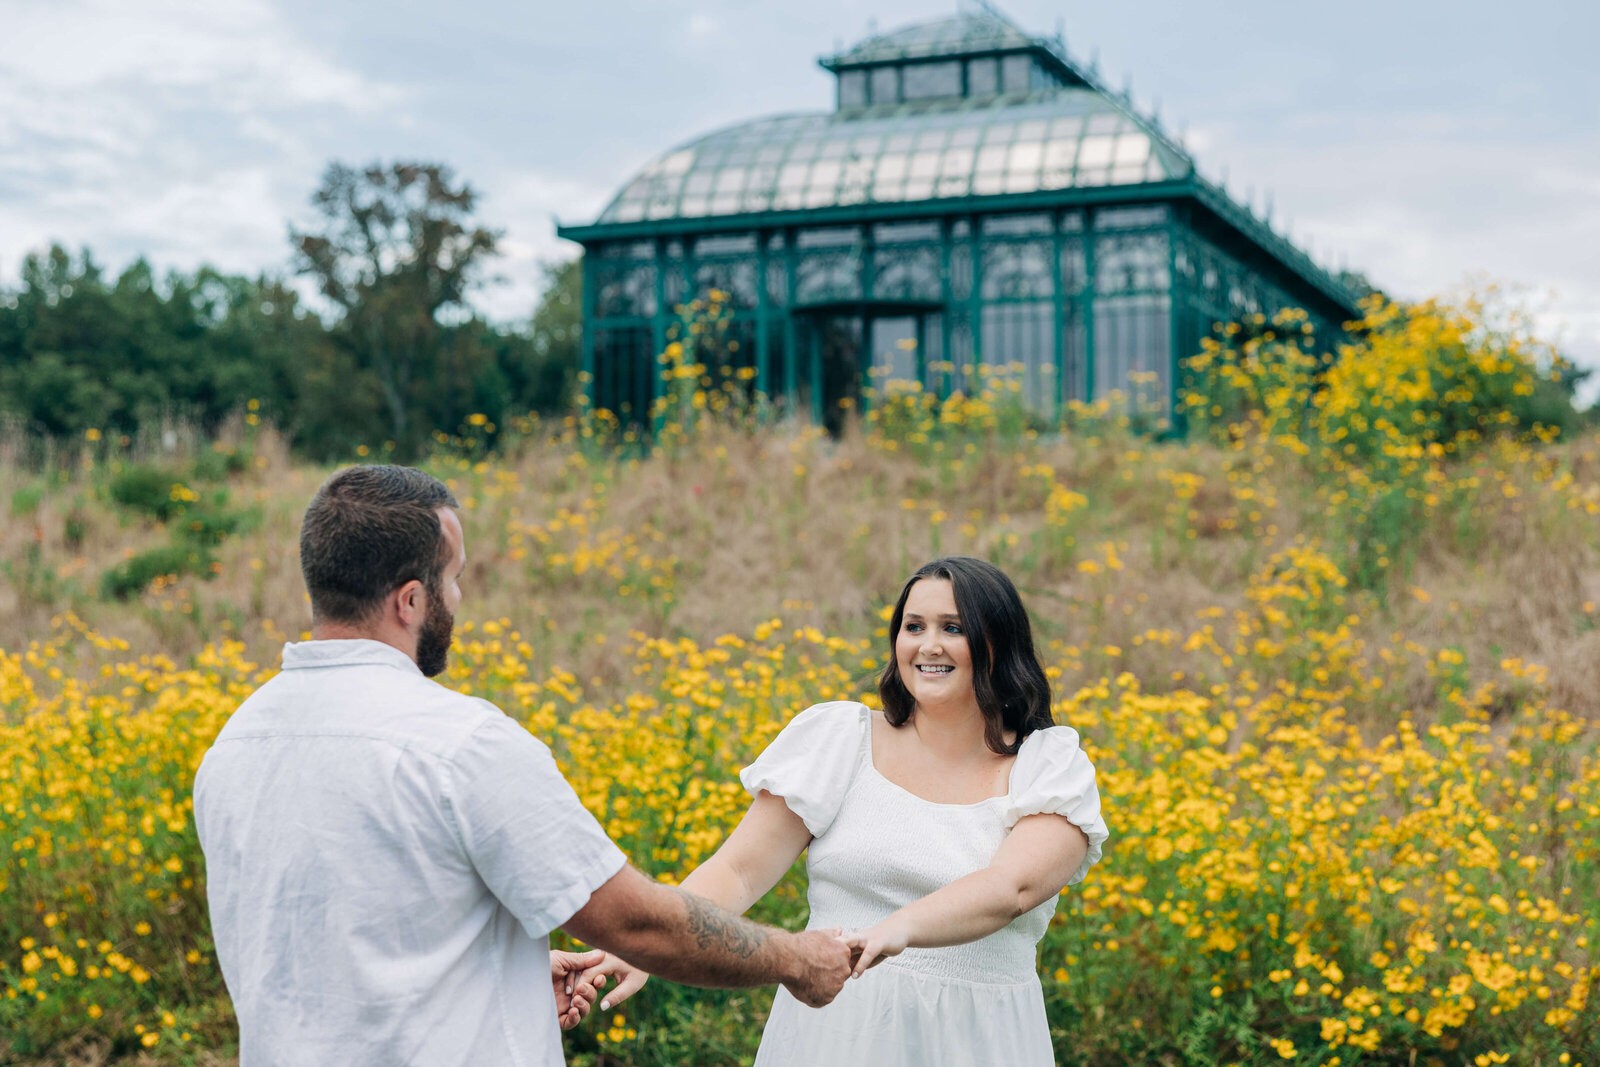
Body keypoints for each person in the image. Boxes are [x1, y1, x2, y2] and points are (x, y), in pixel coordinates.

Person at [192, 465, 852, 1067]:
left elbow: (330, 941)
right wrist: (795, 958)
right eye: (455, 579)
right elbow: (635, 922)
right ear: (412, 600)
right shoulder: (459, 743)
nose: (460, 598)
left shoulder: (234, 745)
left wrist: (498, 970)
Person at [585, 556, 1109, 1066]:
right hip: (834, 1031)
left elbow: (1011, 889)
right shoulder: (840, 741)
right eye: (913, 626)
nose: (929, 645)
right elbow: (738, 873)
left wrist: (896, 929)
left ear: (998, 642)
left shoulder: (1050, 767)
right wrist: (653, 942)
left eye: (953, 627)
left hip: (976, 1037)